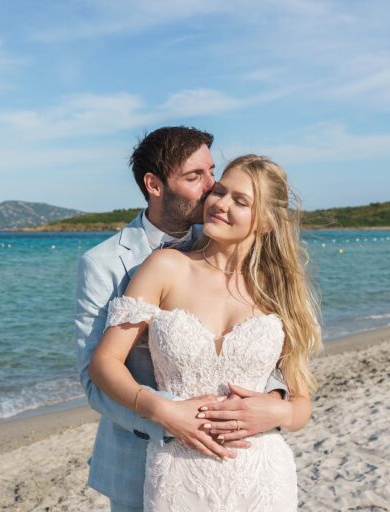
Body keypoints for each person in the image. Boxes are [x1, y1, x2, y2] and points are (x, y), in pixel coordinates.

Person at [75, 127, 303, 511]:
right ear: (155, 184)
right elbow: (94, 375)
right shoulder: (105, 264)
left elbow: (284, 372)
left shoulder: (248, 260)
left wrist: (279, 406)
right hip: (147, 455)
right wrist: (167, 418)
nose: (213, 189)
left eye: (213, 173)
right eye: (197, 177)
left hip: (255, 466)